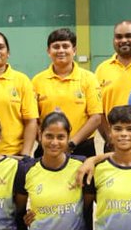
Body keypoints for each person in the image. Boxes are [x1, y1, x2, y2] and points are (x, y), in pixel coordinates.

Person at [31, 28, 103, 157]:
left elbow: (96, 117)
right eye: (56, 47)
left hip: (82, 148)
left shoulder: (89, 78)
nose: (61, 50)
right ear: (48, 51)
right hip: (47, 148)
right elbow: (33, 119)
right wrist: (44, 141)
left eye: (65, 46)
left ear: (74, 50)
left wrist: (71, 144)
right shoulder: (37, 81)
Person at [94, 19, 131, 124]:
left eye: (129, 36)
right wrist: (109, 136)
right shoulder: (102, 69)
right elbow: (98, 110)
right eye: (119, 37)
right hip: (114, 137)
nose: (124, 40)